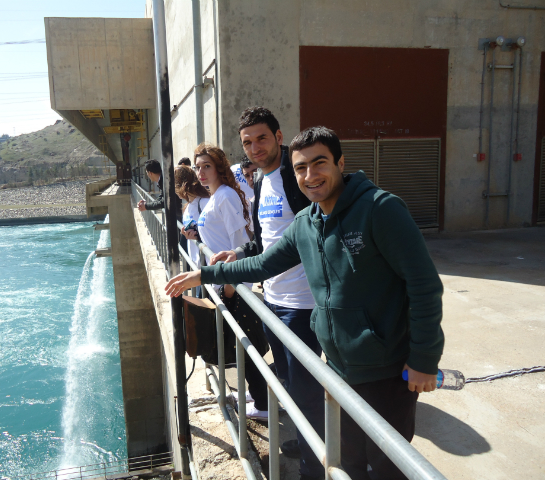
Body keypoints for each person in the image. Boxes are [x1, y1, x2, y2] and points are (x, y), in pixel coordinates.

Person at [166, 126, 445, 480]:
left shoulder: (380, 209)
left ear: (340, 162)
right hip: (339, 369)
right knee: (348, 460)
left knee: (389, 465)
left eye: (320, 163)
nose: (310, 176)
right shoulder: (306, 223)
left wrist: (424, 359)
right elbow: (263, 262)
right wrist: (204, 275)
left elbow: (424, 286)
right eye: (300, 168)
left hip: (387, 368)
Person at [212, 106, 323, 480]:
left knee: (307, 391)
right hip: (273, 300)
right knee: (291, 385)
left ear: (278, 136)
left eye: (262, 138)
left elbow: (322, 233)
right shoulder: (260, 180)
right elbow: (265, 241)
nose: (255, 147)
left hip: (304, 304)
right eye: (247, 142)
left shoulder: (297, 178)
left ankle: (314, 465)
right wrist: (240, 253)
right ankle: (307, 442)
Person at [193, 143, 269, 420]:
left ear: (219, 167)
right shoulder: (216, 196)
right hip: (225, 283)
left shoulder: (224, 196)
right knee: (242, 343)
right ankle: (256, 394)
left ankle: (263, 405)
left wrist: (229, 285)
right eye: (197, 167)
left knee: (248, 344)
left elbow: (241, 242)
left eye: (207, 166)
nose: (201, 172)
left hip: (233, 284)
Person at [174, 165, 210, 270]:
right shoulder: (188, 206)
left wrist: (197, 235)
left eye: (175, 187)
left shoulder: (204, 203)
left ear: (182, 185)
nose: (175, 191)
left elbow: (215, 232)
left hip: (206, 266)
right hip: (195, 265)